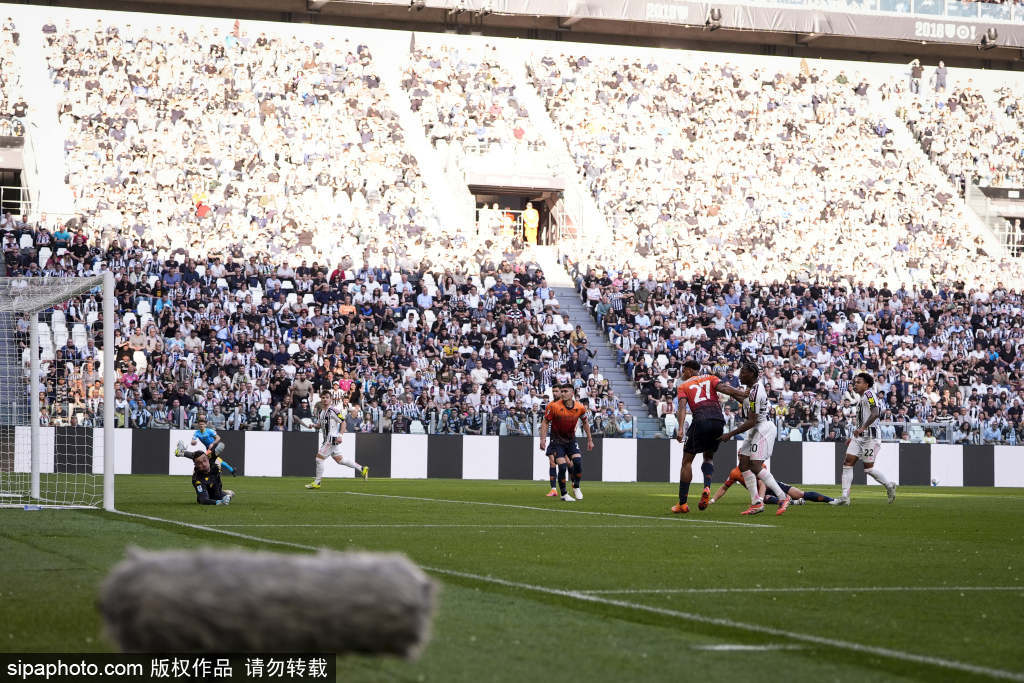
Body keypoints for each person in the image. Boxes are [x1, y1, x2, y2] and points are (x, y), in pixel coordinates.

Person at [672, 360, 747, 514]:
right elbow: (726, 389)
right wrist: (743, 395)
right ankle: (707, 486)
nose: (683, 374)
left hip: (700, 420)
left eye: (684, 371)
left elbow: (682, 408)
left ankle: (682, 504)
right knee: (708, 457)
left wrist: (680, 428)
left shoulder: (683, 386)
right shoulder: (711, 378)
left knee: (687, 461)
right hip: (718, 421)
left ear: (690, 370)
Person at [718, 362, 790, 516]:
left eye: (743, 373)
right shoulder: (752, 389)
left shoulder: (756, 392)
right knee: (743, 464)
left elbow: (751, 421)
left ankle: (783, 497)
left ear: (751, 374)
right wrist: (728, 390)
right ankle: (756, 502)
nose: (740, 375)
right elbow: (744, 399)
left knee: (755, 465)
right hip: (755, 428)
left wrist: (730, 434)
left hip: (763, 428)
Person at [831, 372, 896, 506]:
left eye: (858, 382)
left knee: (868, 469)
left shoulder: (869, 394)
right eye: (855, 382)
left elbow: (876, 412)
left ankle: (889, 485)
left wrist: (863, 428)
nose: (855, 384)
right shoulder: (861, 399)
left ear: (866, 385)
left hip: (871, 437)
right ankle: (845, 497)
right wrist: (854, 436)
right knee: (847, 463)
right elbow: (862, 420)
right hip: (859, 437)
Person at [539, 383, 594, 502]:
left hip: (570, 440)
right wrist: (542, 439)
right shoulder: (554, 406)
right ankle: (564, 494)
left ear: (572, 393)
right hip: (557, 441)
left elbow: (585, 423)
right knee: (562, 466)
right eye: (562, 391)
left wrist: (590, 440)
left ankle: (576, 486)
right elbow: (545, 422)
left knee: (577, 462)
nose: (562, 393)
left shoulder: (580, 407)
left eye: (565, 391)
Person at [305, 389, 368, 489]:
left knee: (319, 459)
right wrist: (313, 425)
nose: (325, 399)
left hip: (332, 439)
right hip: (327, 439)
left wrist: (340, 435)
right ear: (321, 399)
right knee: (340, 460)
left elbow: (343, 422)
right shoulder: (321, 412)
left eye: (327, 397)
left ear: (331, 399)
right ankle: (362, 468)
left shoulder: (333, 411)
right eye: (323, 397)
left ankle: (317, 482)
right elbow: (320, 425)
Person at [709, 466, 834, 506]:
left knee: (800, 494)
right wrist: (713, 500)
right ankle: (792, 502)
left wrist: (759, 499)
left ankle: (832, 500)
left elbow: (762, 483)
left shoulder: (757, 465)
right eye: (740, 456)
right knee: (768, 498)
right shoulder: (735, 472)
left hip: (773, 486)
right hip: (762, 493)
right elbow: (724, 487)